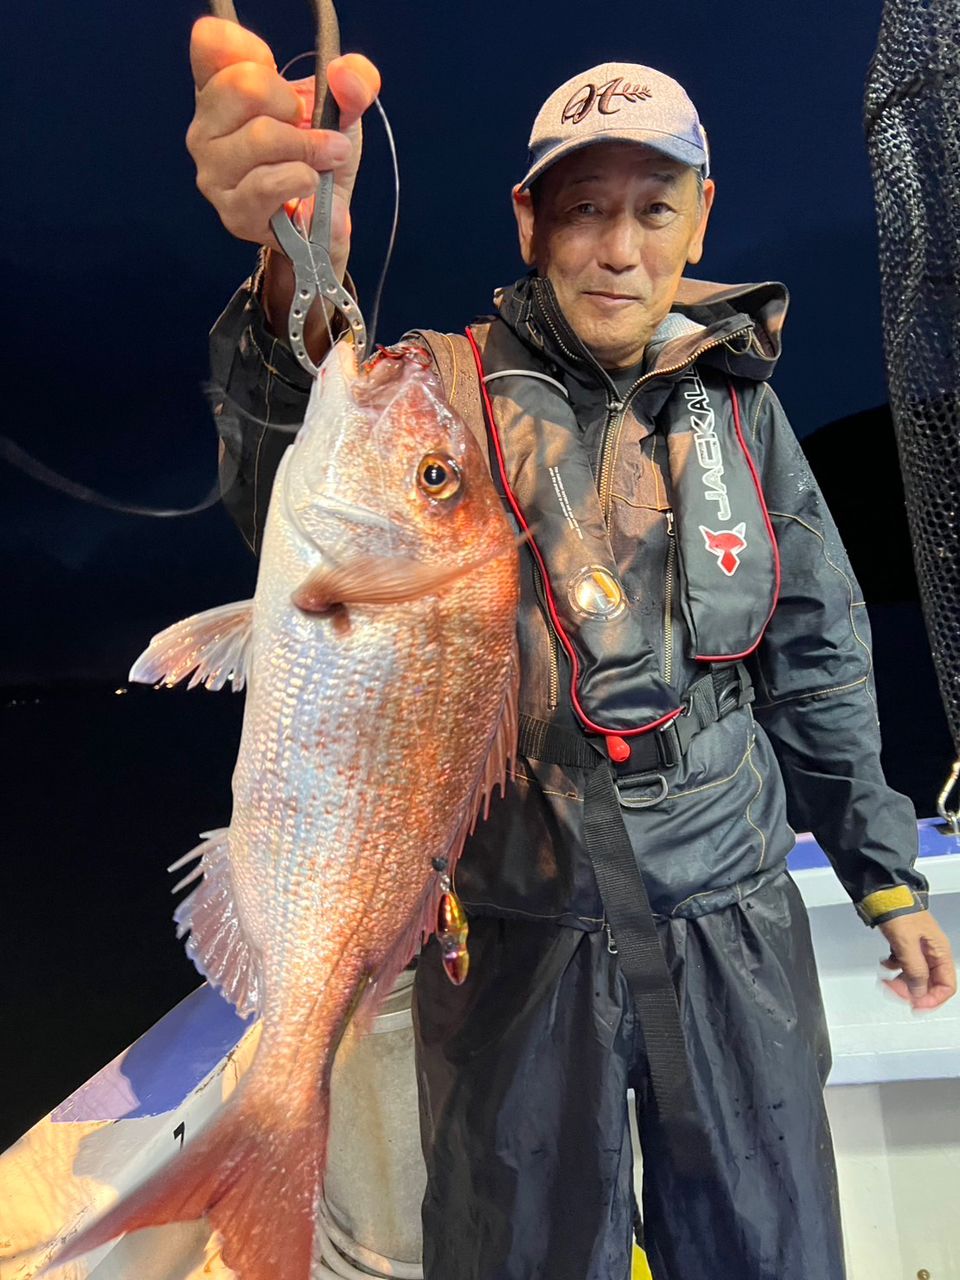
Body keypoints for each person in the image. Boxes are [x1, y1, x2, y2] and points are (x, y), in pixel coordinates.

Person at [187, 18, 956, 1280]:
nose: (617, 246)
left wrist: (885, 875)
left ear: (701, 220)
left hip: (735, 925)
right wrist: (289, 269)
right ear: (527, 221)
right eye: (582, 207)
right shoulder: (436, 394)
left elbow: (817, 662)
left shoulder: (743, 417)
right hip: (515, 941)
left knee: (770, 1247)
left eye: (653, 208)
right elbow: (295, 450)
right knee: (521, 1254)